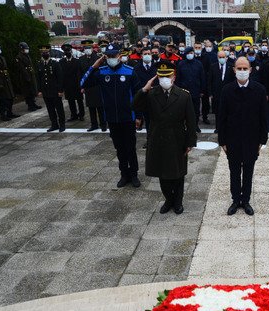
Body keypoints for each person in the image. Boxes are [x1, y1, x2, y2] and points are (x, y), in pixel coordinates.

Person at [133, 62, 197, 215]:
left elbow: (191, 121)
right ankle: (169, 199)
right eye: (161, 76)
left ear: (173, 77)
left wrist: (190, 142)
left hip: (177, 139)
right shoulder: (151, 94)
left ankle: (178, 202)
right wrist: (144, 89)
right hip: (158, 139)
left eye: (167, 76)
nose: (164, 79)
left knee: (178, 174)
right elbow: (134, 106)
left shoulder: (183, 95)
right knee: (162, 174)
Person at [81, 43, 141, 188]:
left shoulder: (129, 71)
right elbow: (83, 83)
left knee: (130, 148)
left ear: (119, 56)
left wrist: (138, 116)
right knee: (119, 148)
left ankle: (134, 175)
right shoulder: (101, 72)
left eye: (114, 56)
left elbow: (138, 95)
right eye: (108, 56)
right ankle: (124, 174)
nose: (111, 58)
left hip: (128, 117)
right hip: (112, 118)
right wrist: (94, 65)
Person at [218, 57, 268, 216]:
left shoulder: (259, 89)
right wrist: (222, 140)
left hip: (251, 139)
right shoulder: (227, 90)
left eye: (244, 68)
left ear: (250, 70)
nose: (241, 71)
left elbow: (263, 116)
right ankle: (235, 200)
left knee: (248, 171)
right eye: (238, 68)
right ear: (234, 70)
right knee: (234, 171)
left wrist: (262, 140)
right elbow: (221, 117)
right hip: (232, 138)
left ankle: (245, 200)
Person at [175, 46, 205, 133]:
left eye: (191, 53)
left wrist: (202, 90)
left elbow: (202, 77)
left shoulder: (198, 64)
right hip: (184, 91)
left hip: (196, 91)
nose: (190, 55)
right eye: (188, 53)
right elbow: (178, 78)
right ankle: (185, 125)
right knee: (184, 110)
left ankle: (195, 125)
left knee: (196, 110)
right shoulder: (181, 64)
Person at [78, 39, 106, 132]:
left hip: (97, 85)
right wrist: (82, 86)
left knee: (100, 107)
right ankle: (94, 124)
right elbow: (80, 74)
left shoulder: (98, 58)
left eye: (89, 47)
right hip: (88, 86)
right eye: (85, 48)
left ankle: (103, 124)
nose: (87, 49)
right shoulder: (81, 59)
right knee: (91, 107)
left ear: (92, 48)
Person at [37, 44, 66, 132]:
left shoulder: (55, 64)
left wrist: (60, 90)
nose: (44, 54)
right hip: (46, 91)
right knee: (50, 109)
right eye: (43, 52)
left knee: (59, 108)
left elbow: (60, 77)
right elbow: (38, 78)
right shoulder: (40, 64)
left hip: (55, 91)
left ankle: (62, 124)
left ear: (49, 53)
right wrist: (39, 90)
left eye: (46, 52)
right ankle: (54, 124)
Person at [207, 50, 235, 133]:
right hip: (216, 94)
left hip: (228, 93)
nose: (222, 59)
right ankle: (218, 127)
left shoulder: (230, 66)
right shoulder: (213, 66)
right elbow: (210, 81)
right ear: (217, 58)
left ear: (226, 58)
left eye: (223, 57)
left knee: (228, 111)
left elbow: (233, 80)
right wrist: (210, 93)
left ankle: (227, 127)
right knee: (217, 112)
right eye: (220, 57)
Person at [60, 43, 85, 122]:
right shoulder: (61, 62)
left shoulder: (77, 61)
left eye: (69, 51)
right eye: (66, 51)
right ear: (64, 52)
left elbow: (81, 73)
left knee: (79, 101)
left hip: (76, 84)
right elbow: (61, 75)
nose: (67, 53)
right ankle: (73, 115)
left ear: (71, 51)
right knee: (70, 101)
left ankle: (81, 115)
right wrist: (62, 87)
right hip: (68, 85)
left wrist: (81, 85)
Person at [15, 42, 41, 112]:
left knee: (32, 91)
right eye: (25, 49)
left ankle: (33, 103)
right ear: (21, 49)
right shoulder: (19, 57)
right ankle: (30, 105)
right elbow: (22, 69)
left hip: (30, 76)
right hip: (25, 77)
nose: (27, 50)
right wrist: (27, 78)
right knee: (28, 92)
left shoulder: (26, 55)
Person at [0, 42, 16, 121]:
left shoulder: (2, 58)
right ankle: (3, 115)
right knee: (1, 99)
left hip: (6, 80)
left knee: (10, 97)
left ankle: (9, 112)